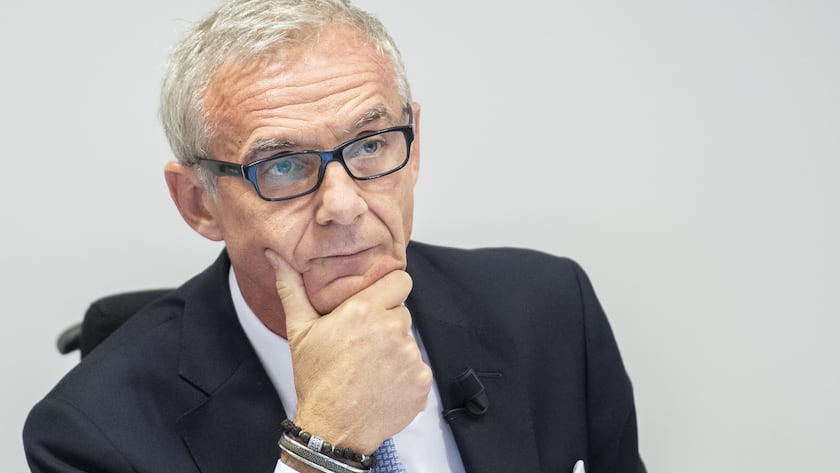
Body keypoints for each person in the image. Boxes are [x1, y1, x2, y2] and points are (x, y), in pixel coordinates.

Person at [23, 1, 645, 472]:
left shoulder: (551, 308)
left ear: (415, 145)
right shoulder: (90, 434)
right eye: (284, 165)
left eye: (371, 145)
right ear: (198, 203)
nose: (343, 206)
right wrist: (326, 446)